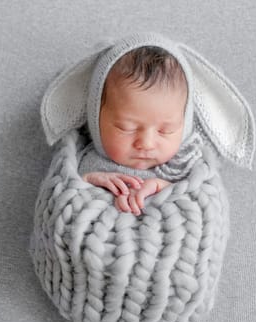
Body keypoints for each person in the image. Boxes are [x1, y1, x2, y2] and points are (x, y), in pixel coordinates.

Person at [79, 46, 202, 216]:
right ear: (96, 119)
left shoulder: (184, 165)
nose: (146, 143)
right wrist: (89, 180)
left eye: (166, 130)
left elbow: (199, 203)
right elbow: (65, 193)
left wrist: (163, 188)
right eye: (126, 128)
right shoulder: (86, 160)